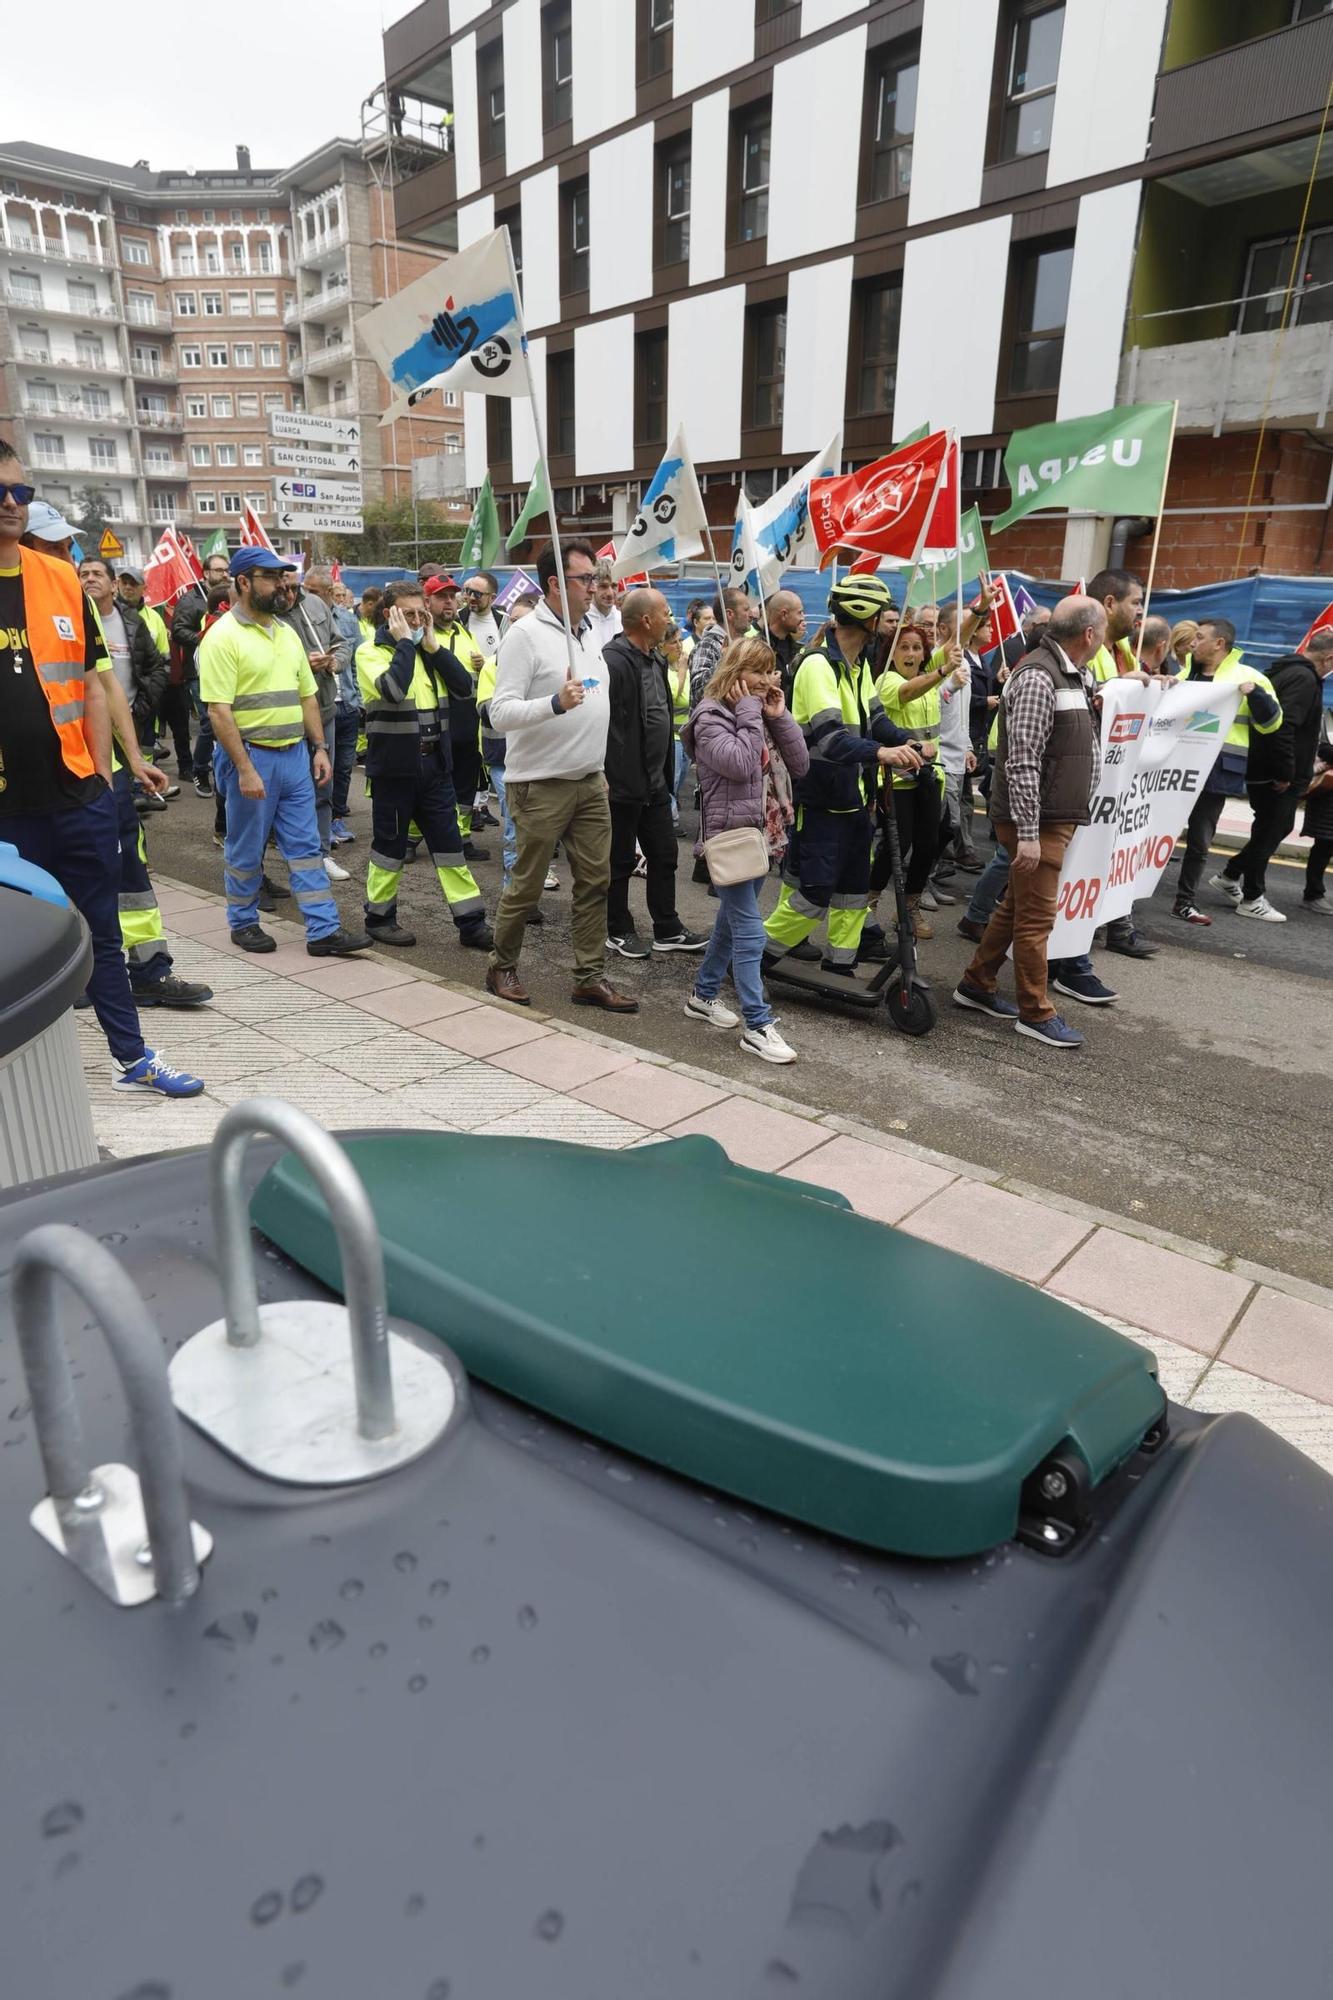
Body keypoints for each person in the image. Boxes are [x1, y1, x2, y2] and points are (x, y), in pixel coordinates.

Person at [0, 440, 204, 1093]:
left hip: (75, 797)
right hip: (6, 817)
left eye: (19, 491)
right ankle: (24, 1080)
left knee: (104, 935)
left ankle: (132, 1058)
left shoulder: (61, 579)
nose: (10, 502)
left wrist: (99, 772)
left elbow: (93, 682)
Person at [484, 538, 636, 1013]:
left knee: (596, 882)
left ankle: (588, 977)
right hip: (539, 782)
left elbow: (594, 703)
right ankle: (501, 965)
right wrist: (554, 702)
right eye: (585, 578)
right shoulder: (525, 634)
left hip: (589, 780)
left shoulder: (589, 632)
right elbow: (498, 712)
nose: (595, 586)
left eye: (595, 578)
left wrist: (599, 767)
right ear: (554, 582)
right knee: (527, 885)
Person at [199, 547, 370, 958]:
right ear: (243, 582)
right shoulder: (222, 637)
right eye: (271, 577)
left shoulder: (286, 632)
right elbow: (219, 712)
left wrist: (319, 749)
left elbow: (307, 696)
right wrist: (243, 769)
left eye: (283, 577)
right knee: (245, 847)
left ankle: (323, 931)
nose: (282, 585)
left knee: (307, 846)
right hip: (251, 758)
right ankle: (243, 922)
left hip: (295, 756)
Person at [954, 596, 1109, 1049]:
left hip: (1051, 816)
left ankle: (977, 983)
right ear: (1088, 635)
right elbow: (1021, 760)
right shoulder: (1040, 676)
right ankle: (1035, 1011)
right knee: (1037, 919)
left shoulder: (1069, 673)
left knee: (1017, 907)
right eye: (1102, 631)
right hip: (1037, 819)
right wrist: (1027, 833)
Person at [761, 574, 921, 975]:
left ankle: (840, 966)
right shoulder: (819, 666)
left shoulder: (857, 665)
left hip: (854, 800)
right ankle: (753, 957)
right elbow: (832, 741)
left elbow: (877, 719)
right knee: (814, 893)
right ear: (865, 616)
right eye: (883, 615)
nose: (888, 623)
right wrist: (884, 752)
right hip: (822, 800)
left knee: (852, 892)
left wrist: (908, 743)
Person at [76, 557, 210, 1010]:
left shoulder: (131, 620)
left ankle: (151, 970)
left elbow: (133, 677)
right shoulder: (45, 610)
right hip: (62, 769)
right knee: (75, 869)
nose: (86, 578)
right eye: (82, 571)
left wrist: (134, 751)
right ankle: (80, 976)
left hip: (112, 759)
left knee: (130, 868)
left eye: (96, 572)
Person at [684, 637, 809, 1066]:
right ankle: (758, 1025)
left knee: (729, 922)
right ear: (734, 672)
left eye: (770, 670)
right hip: (732, 835)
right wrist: (751, 713)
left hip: (765, 832)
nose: (766, 679)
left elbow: (800, 763)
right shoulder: (710, 715)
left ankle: (702, 996)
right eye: (758, 671)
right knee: (751, 931)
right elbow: (738, 764)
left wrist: (780, 715)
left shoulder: (756, 710)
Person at [354, 580, 492, 953]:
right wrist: (404, 644)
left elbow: (465, 687)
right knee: (389, 849)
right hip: (395, 770)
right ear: (389, 615)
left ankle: (471, 923)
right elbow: (394, 691)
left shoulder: (427, 649)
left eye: (421, 614)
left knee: (450, 848)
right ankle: (379, 918)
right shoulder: (371, 652)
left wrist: (432, 646)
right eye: (409, 614)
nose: (417, 621)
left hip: (435, 767)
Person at [602, 587, 707, 960]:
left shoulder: (656, 659)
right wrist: (610, 776)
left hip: (655, 783)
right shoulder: (613, 661)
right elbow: (604, 725)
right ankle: (617, 928)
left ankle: (667, 928)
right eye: (665, 613)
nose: (671, 620)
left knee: (664, 855)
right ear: (646, 620)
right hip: (622, 785)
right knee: (618, 861)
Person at [1212, 625, 1333, 921]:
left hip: (1269, 767)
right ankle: (1252, 897)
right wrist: (1286, 771)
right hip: (1276, 773)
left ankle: (1230, 875)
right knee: (1269, 830)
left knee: (1276, 828)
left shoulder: (1287, 671)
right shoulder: (1303, 679)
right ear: (1329, 658)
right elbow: (1285, 727)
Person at [1170, 616, 1282, 926]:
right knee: (1154, 835)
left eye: (1200, 637)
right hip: (1174, 770)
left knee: (1199, 842)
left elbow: (1272, 723)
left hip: (1216, 773)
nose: (1193, 643)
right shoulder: (1183, 675)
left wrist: (1254, 695)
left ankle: (1184, 902)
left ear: (1219, 643)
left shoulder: (1249, 677)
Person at [870, 620, 949, 938]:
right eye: (904, 646)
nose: (912, 653)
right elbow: (907, 692)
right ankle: (869, 904)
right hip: (896, 778)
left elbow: (958, 640)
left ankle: (910, 908)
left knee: (929, 844)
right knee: (894, 847)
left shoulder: (928, 672)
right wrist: (942, 673)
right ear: (891, 652)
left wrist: (981, 608)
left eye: (917, 647)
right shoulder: (886, 681)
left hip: (931, 776)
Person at [279, 567, 343, 878]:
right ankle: (289, 854)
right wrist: (303, 665)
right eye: (285, 588)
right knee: (289, 787)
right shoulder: (268, 614)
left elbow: (341, 643)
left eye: (295, 588)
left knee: (322, 783)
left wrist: (334, 661)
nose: (290, 595)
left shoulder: (317, 605)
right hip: (285, 713)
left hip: (324, 706)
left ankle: (321, 852)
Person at [477, 592, 540, 895]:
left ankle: (528, 888)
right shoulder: (494, 665)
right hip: (503, 760)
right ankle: (513, 893)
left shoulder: (544, 662)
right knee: (516, 824)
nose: (514, 626)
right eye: (511, 621)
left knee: (535, 829)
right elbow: (490, 712)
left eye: (522, 621)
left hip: (538, 759)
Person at [172, 547, 232, 797]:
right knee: (210, 722)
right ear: (206, 572)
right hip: (198, 671)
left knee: (228, 721)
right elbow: (178, 630)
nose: (224, 574)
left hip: (226, 669)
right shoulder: (191, 599)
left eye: (226, 570)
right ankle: (200, 769)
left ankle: (225, 772)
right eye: (219, 570)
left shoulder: (231, 596)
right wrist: (206, 640)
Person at [328, 582, 363, 846]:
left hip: (347, 704)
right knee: (321, 767)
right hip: (322, 705)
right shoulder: (304, 620)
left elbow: (356, 661)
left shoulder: (349, 621)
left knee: (343, 768)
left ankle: (337, 817)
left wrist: (359, 701)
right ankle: (321, 821)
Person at [689, 586, 752, 705]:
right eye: (746, 609)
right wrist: (724, 661)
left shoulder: (745, 645)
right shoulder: (707, 645)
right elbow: (698, 692)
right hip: (714, 722)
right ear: (729, 614)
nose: (751, 614)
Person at [1302, 700, 1333, 915]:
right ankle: (1313, 893)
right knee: (1325, 844)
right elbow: (1323, 748)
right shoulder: (1328, 718)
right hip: (1328, 794)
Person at [663, 618, 692, 824]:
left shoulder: (680, 667)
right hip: (671, 736)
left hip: (684, 734)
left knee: (680, 781)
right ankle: (670, 820)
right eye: (674, 642)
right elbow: (674, 696)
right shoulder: (663, 667)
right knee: (671, 781)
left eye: (680, 640)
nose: (679, 646)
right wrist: (682, 672)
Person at [764, 589, 808, 704]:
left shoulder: (800, 650)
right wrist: (767, 685)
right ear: (784, 614)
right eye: (799, 612)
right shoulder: (758, 648)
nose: (803, 618)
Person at [460, 571, 502, 657]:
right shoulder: (457, 618)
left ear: (492, 598)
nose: (472, 597)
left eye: (477, 594)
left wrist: (486, 664)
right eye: (469, 591)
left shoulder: (504, 621)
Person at [586, 563, 623, 653]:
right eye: (603, 586)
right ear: (592, 586)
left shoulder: (623, 620)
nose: (610, 593)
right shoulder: (581, 621)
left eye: (614, 586)